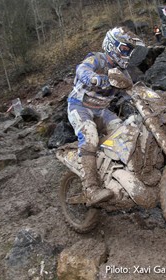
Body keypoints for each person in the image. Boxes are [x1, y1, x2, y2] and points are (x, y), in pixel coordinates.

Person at [67, 26, 144, 206]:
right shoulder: (98, 59)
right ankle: (91, 189)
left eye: (130, 51)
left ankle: (121, 176)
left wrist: (149, 96)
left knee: (126, 133)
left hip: (101, 111)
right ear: (112, 45)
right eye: (125, 49)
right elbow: (82, 69)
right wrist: (94, 78)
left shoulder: (122, 73)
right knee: (90, 137)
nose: (127, 54)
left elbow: (132, 90)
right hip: (79, 107)